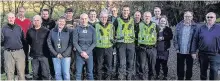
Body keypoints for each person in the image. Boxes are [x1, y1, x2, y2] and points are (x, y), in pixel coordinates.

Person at [191, 12, 220, 80]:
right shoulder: (200, 28)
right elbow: (195, 39)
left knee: (214, 72)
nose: (209, 18)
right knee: (203, 71)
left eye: (211, 17)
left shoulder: (219, 28)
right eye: (208, 17)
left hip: (215, 54)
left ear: (215, 19)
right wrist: (193, 51)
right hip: (203, 54)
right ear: (206, 18)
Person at [113, 5, 135, 80]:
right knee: (121, 62)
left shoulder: (133, 20)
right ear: (121, 11)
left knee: (130, 62)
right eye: (124, 10)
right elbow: (113, 31)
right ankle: (120, 77)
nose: (125, 12)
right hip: (120, 43)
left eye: (127, 10)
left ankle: (129, 77)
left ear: (129, 11)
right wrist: (114, 39)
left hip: (130, 44)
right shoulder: (117, 20)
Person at [1, 12, 26, 80]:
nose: (11, 19)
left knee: (21, 72)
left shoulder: (19, 28)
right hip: (8, 53)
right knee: (9, 73)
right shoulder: (3, 29)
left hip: (19, 52)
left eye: (12, 17)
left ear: (15, 18)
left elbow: (23, 40)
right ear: (7, 19)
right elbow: (1, 42)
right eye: (9, 18)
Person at [173, 11, 197, 80]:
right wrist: (177, 48)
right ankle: (180, 78)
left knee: (189, 67)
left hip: (190, 51)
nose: (187, 18)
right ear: (183, 17)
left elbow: (196, 40)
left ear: (192, 17)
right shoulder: (179, 25)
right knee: (180, 67)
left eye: (189, 16)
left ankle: (188, 78)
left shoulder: (195, 27)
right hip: (180, 50)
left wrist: (194, 51)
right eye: (186, 16)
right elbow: (175, 38)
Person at [26, 15, 50, 80]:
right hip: (34, 56)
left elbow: (49, 43)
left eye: (38, 20)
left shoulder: (46, 31)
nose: (36, 22)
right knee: (35, 74)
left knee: (45, 73)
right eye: (34, 20)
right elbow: (28, 42)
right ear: (32, 22)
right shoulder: (29, 31)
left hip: (44, 55)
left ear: (41, 21)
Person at [73, 13, 96, 80]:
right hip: (79, 54)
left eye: (85, 19)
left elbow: (94, 42)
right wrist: (81, 52)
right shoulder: (77, 29)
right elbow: (75, 42)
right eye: (82, 19)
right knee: (78, 74)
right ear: (80, 20)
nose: (84, 20)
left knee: (90, 73)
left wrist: (87, 52)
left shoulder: (92, 29)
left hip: (89, 55)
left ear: (88, 19)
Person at [94, 11, 114, 80]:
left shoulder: (111, 25)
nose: (104, 18)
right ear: (99, 17)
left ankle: (107, 79)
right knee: (99, 66)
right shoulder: (95, 25)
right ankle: (99, 79)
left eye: (105, 17)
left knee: (109, 66)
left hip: (109, 48)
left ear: (107, 17)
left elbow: (114, 36)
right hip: (99, 49)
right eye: (102, 17)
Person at [137, 11, 157, 80]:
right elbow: (135, 35)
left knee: (152, 66)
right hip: (142, 48)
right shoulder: (139, 25)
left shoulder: (155, 25)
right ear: (143, 17)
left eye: (148, 16)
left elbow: (160, 34)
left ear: (151, 17)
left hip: (152, 49)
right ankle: (141, 78)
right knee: (141, 66)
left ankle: (150, 78)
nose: (147, 17)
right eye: (146, 16)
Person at [15, 7, 32, 77]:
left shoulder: (28, 21)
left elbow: (31, 32)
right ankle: (16, 74)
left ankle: (26, 72)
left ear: (25, 12)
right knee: (16, 57)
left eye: (22, 12)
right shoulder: (15, 21)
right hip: (17, 41)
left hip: (25, 41)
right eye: (20, 11)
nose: (21, 13)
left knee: (25, 57)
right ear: (18, 12)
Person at [155, 16, 173, 80]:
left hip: (165, 49)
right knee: (157, 63)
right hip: (157, 49)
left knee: (164, 63)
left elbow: (171, 37)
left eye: (164, 21)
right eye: (161, 21)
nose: (162, 22)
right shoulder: (156, 28)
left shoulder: (168, 29)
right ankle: (157, 75)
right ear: (159, 21)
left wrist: (163, 38)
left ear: (166, 22)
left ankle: (165, 76)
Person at [41, 8, 56, 78]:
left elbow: (55, 32)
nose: (45, 15)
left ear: (48, 14)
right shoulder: (39, 21)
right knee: (42, 60)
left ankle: (53, 74)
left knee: (51, 60)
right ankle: (42, 75)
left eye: (46, 14)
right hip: (41, 44)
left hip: (50, 44)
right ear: (41, 14)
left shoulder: (52, 22)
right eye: (43, 14)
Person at [133, 10, 142, 79]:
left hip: (140, 45)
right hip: (131, 44)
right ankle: (131, 73)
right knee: (131, 60)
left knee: (139, 60)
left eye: (138, 15)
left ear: (140, 16)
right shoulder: (131, 23)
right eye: (136, 15)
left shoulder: (143, 23)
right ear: (134, 16)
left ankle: (138, 73)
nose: (137, 16)